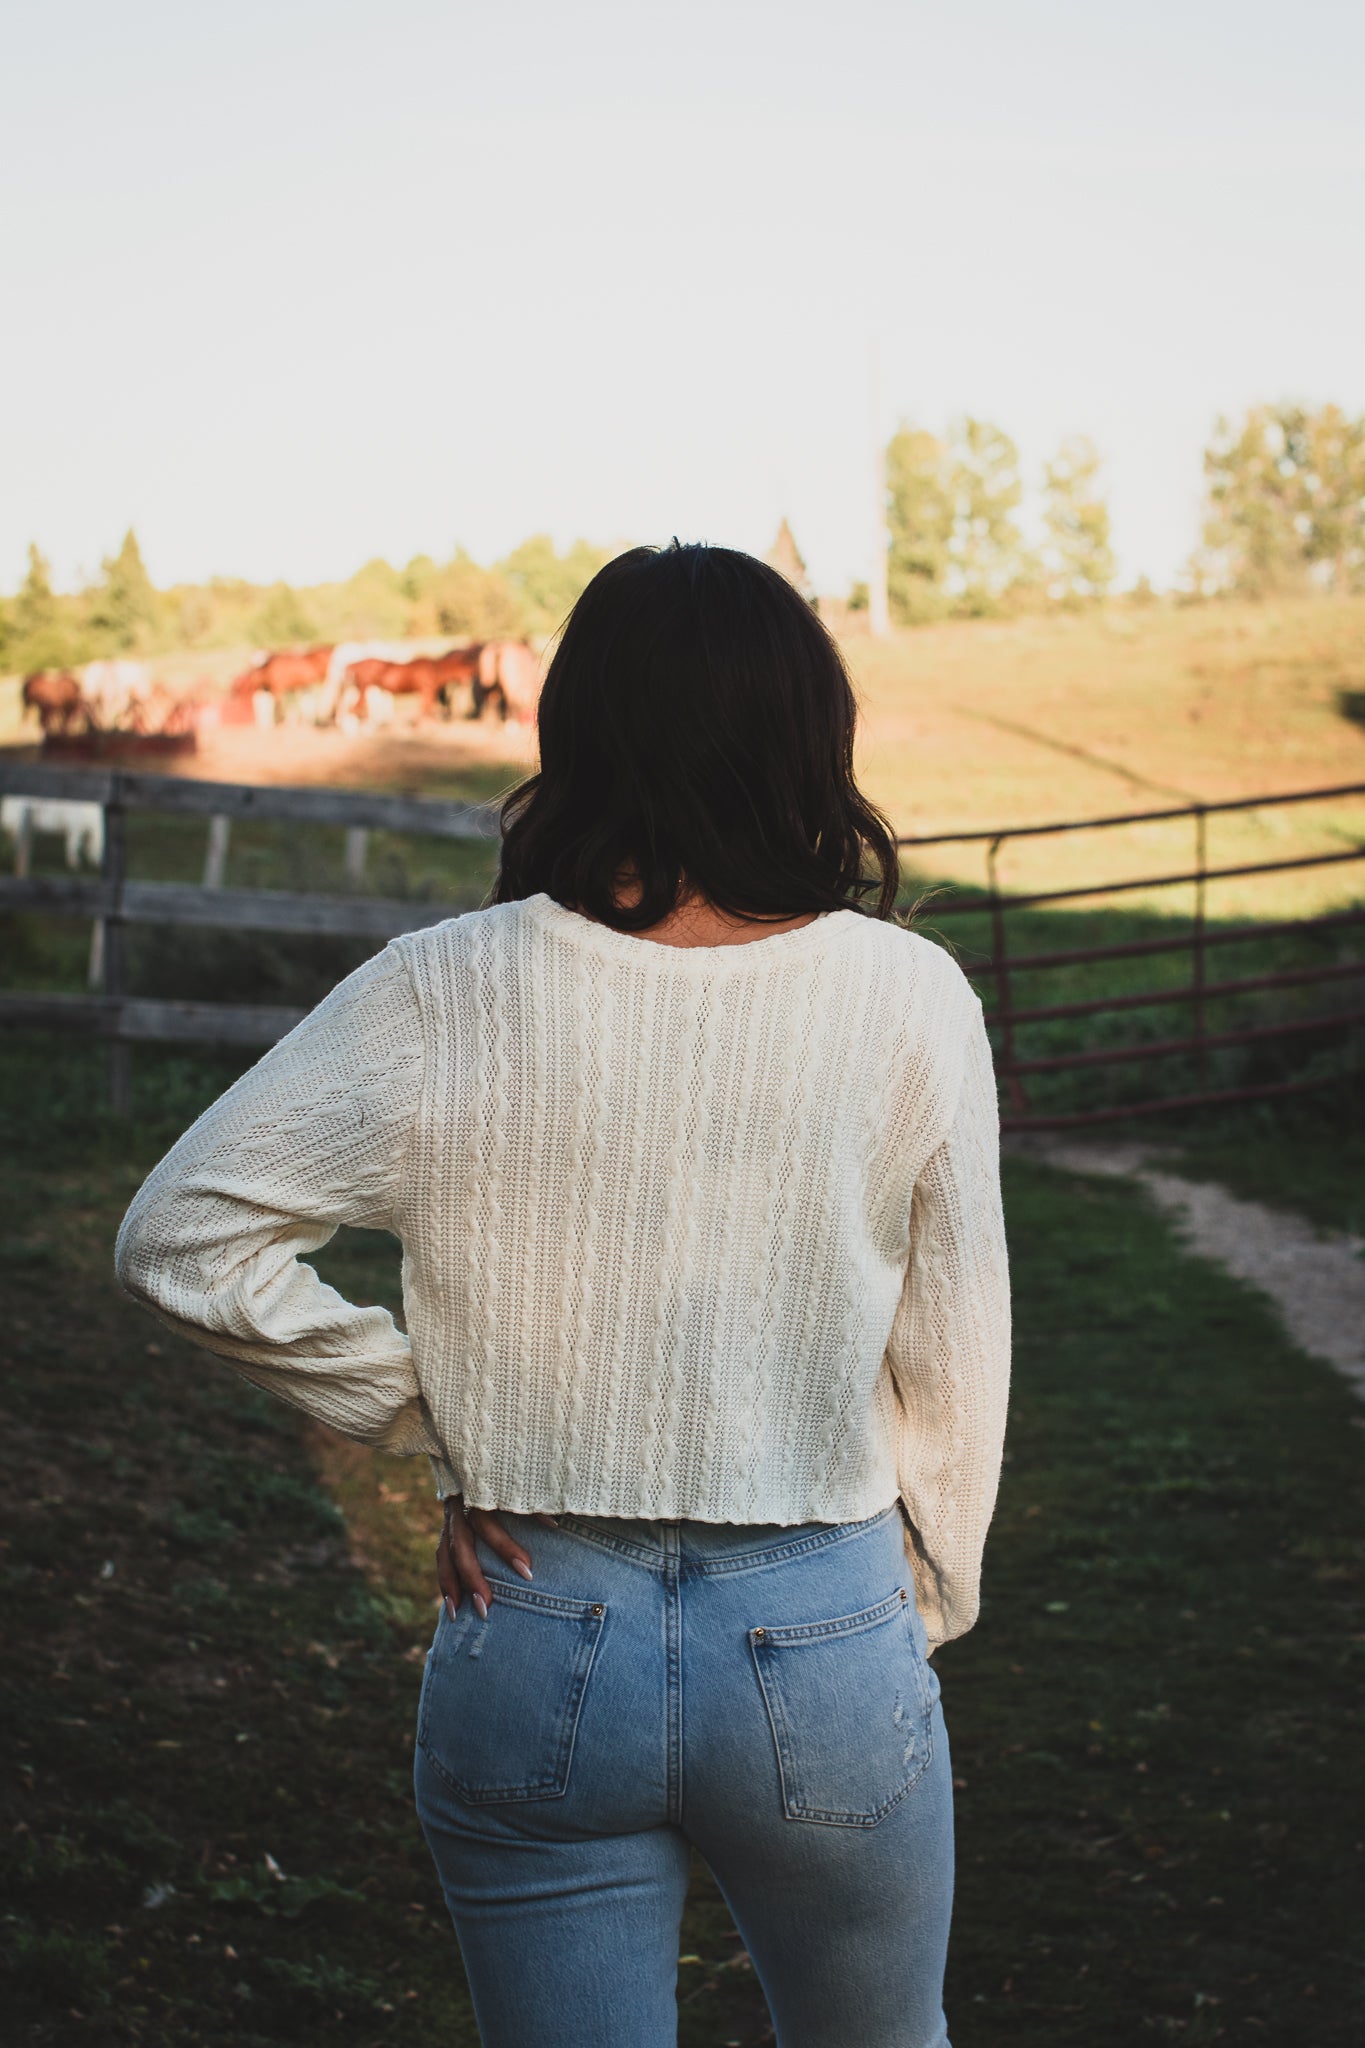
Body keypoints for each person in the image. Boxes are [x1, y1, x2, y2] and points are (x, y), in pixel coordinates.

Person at [115, 541, 1011, 2048]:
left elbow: (181, 1236)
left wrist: (432, 1419)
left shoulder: (439, 988)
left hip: (535, 1622)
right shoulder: (904, 992)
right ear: (806, 731)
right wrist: (918, 1605)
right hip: (820, 1626)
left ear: (575, 730)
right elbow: (955, 1348)